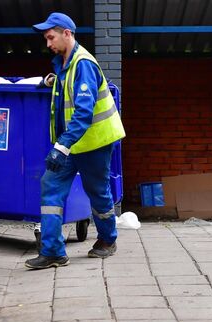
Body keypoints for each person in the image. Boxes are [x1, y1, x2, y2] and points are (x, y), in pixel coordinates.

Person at [26, 12, 126, 270]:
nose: (48, 44)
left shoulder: (83, 64)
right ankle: (52, 252)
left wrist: (61, 146)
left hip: (93, 143)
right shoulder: (65, 64)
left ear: (67, 34)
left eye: (51, 37)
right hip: (69, 144)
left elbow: (84, 111)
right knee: (50, 185)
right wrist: (52, 81)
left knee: (97, 192)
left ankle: (107, 239)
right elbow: (66, 88)